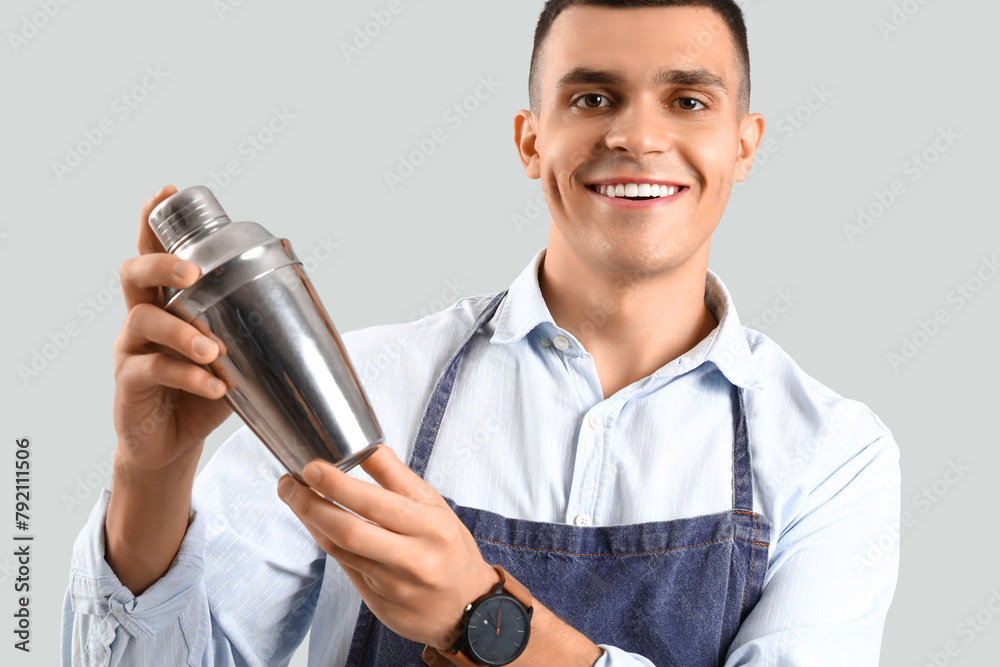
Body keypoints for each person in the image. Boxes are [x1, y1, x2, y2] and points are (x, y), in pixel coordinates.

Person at [62, 1, 901, 665]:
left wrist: (484, 620)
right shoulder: (350, 383)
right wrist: (153, 472)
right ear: (530, 139)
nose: (638, 137)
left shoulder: (831, 455)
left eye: (687, 100)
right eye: (592, 96)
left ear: (743, 144)